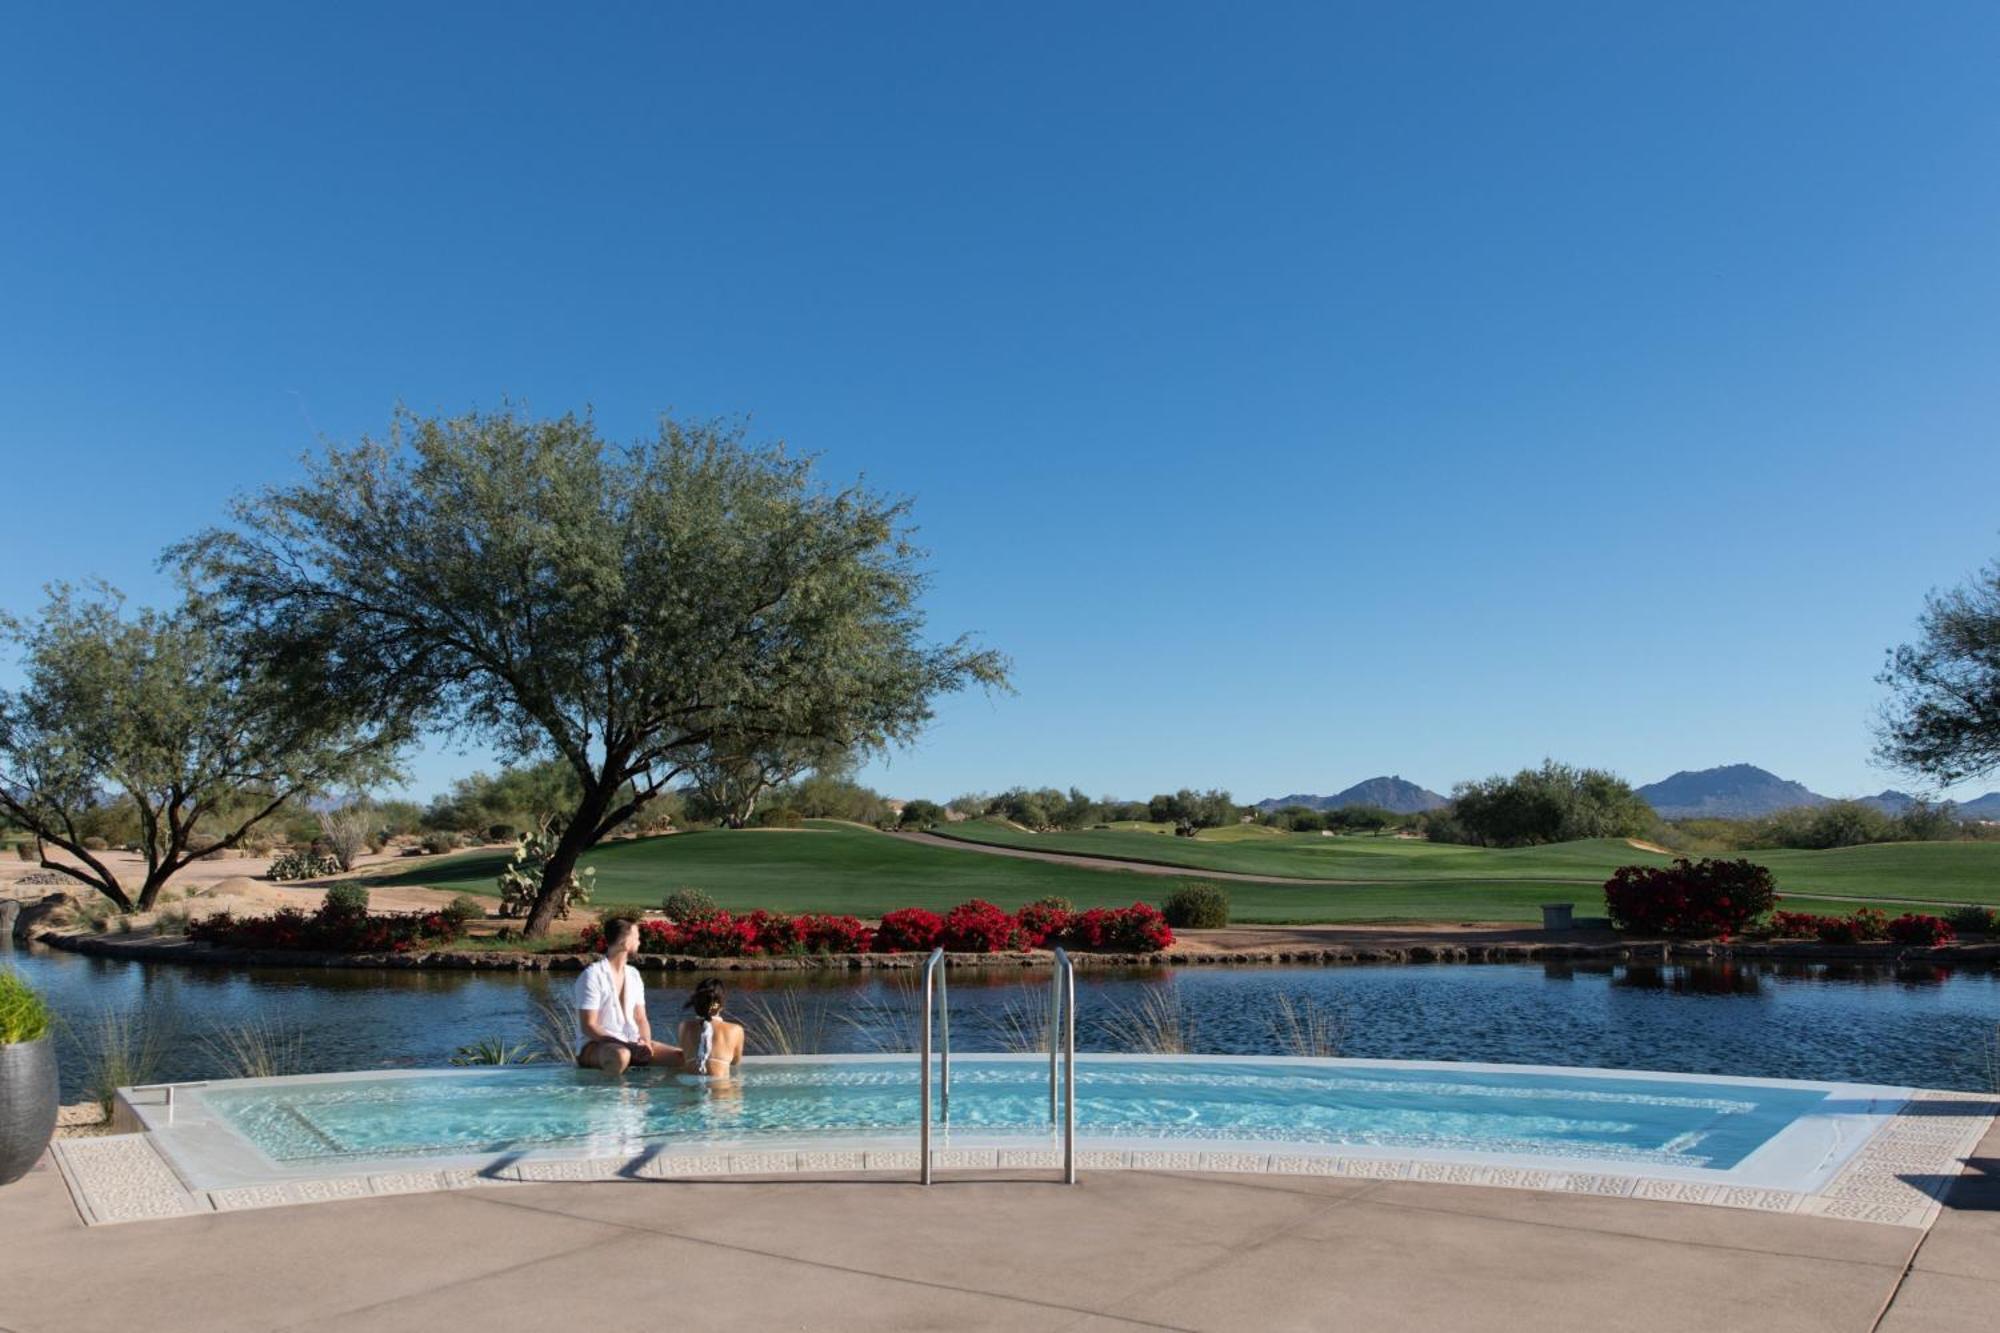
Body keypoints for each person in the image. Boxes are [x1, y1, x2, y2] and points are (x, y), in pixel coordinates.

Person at [574, 917, 679, 1074]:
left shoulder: (633, 975)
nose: (639, 941)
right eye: (636, 937)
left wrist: (645, 1043)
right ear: (624, 943)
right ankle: (617, 1098)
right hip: (596, 1046)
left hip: (632, 1042)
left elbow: (640, 1018)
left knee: (681, 1057)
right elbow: (589, 1026)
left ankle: (653, 1094)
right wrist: (627, 1046)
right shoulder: (593, 975)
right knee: (621, 1055)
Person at [675, 979, 745, 1079]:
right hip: (722, 1090)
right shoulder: (736, 1030)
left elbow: (684, 1056)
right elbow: (735, 1062)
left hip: (691, 1090)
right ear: (721, 1004)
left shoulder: (684, 1027)